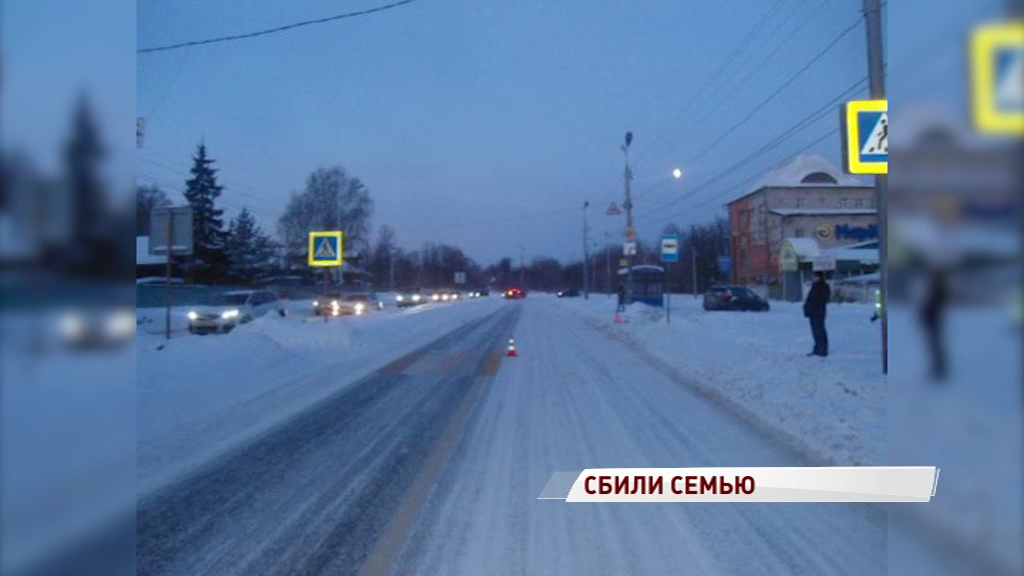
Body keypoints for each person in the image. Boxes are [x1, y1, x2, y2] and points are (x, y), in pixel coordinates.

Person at [803, 271, 831, 356]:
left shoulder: (823, 287)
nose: (814, 278)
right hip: (813, 312)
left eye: (815, 277)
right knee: (815, 331)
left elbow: (822, 299)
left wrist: (815, 306)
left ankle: (823, 349)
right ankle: (817, 348)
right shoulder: (815, 286)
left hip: (818, 312)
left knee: (820, 330)